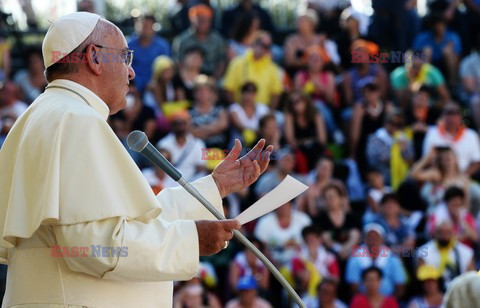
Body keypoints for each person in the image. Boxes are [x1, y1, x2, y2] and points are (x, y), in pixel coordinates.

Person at [0, 12, 274, 307]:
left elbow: (126, 220)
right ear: (93, 57)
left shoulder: (42, 114)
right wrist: (190, 240)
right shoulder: (76, 120)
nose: (131, 73)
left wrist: (214, 186)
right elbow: (94, 245)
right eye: (124, 57)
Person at [223, 31, 283, 108]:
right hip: (240, 109)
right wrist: (237, 109)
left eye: (268, 46)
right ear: (253, 43)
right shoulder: (237, 63)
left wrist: (270, 112)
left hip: (263, 111)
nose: (264, 48)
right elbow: (228, 89)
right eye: (262, 44)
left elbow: (276, 94)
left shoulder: (273, 68)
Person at [345, 223, 407, 298]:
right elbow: (353, 288)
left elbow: (400, 286)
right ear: (364, 239)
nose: (373, 240)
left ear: (382, 239)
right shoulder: (354, 259)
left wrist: (387, 303)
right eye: (370, 237)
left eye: (376, 237)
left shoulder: (393, 258)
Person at [422, 102, 480, 176]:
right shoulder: (432, 133)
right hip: (437, 178)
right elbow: (426, 160)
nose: (452, 117)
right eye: (448, 113)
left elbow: (477, 161)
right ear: (442, 115)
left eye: (455, 113)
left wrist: (462, 176)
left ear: (460, 116)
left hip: (464, 178)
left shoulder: (471, 135)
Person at [172, 4, 226, 78]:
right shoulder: (181, 40)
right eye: (199, 20)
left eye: (206, 20)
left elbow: (222, 62)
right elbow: (177, 62)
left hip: (212, 78)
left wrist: (213, 79)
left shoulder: (218, 40)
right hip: (187, 78)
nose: (202, 23)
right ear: (192, 20)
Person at [417, 221, 476, 288]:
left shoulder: (466, 252)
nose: (444, 235)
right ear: (434, 233)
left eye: (447, 232)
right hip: (435, 292)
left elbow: (472, 278)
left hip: (459, 291)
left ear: (453, 233)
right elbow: (423, 280)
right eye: (440, 232)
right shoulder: (423, 251)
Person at [156, 110, 207, 181]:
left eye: (182, 123)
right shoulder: (163, 143)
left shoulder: (198, 143)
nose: (179, 125)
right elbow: (160, 170)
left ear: (188, 124)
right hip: (170, 179)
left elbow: (201, 168)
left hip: (192, 180)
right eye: (176, 123)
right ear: (171, 125)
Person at [284, 91, 327, 173]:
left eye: (298, 101)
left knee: (324, 156)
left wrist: (308, 143)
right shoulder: (289, 116)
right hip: (299, 149)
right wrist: (306, 142)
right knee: (298, 157)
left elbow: (322, 140)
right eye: (292, 103)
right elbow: (291, 141)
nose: (295, 105)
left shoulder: (315, 114)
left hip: (316, 147)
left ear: (306, 101)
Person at [127, 14, 171, 93]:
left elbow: (166, 70)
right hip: (132, 87)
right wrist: (133, 85)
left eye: (148, 26)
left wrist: (154, 82)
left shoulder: (162, 46)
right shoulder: (128, 44)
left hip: (156, 88)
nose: (144, 29)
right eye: (142, 26)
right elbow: (124, 68)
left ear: (154, 28)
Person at [229, 81, 269, 148]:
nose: (249, 96)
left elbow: (268, 126)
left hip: (259, 144)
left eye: (252, 93)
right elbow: (240, 127)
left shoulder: (263, 109)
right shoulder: (234, 108)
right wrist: (259, 131)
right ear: (242, 93)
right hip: (238, 145)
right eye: (246, 92)